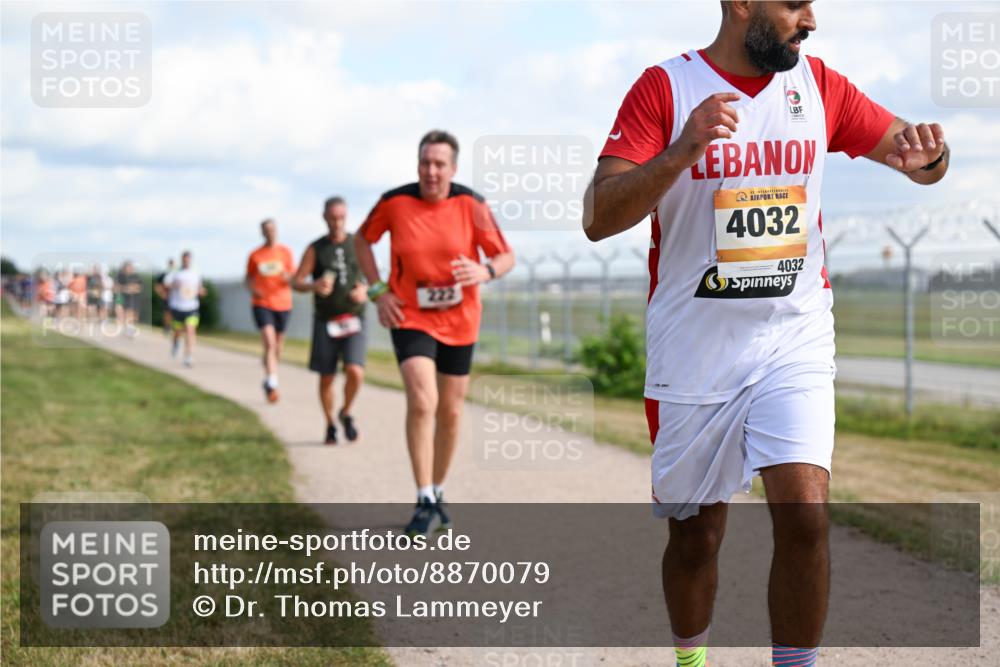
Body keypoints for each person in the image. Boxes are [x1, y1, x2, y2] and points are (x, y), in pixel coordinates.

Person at [582, 2, 949, 666]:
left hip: (793, 334)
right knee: (697, 533)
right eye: (794, 5)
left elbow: (913, 155)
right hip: (695, 347)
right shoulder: (665, 88)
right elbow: (599, 215)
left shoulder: (821, 86)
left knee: (806, 514)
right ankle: (690, 659)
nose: (809, 20)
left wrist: (932, 157)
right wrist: (683, 149)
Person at [355, 130, 515, 536]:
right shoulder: (394, 202)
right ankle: (424, 495)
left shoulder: (471, 204)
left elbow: (506, 255)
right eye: (425, 162)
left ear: (453, 168)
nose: (431, 171)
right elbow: (363, 240)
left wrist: (486, 270)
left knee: (452, 410)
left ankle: (438, 490)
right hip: (410, 315)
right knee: (423, 401)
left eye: (439, 163)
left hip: (461, 319)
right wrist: (378, 292)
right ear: (417, 165)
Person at [293, 197, 368, 444]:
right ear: (325, 217)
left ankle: (345, 411)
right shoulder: (316, 248)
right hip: (326, 320)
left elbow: (378, 280)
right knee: (327, 376)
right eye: (333, 218)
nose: (337, 223)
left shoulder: (358, 243)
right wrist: (313, 285)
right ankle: (329, 424)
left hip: (354, 318)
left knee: (355, 371)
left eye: (341, 218)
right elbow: (296, 281)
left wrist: (365, 291)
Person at [246, 219, 295, 403]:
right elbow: (248, 278)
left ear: (277, 230)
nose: (270, 232)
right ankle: (272, 384)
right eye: (266, 230)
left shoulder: (285, 252)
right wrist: (253, 289)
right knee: (270, 342)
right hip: (262, 302)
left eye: (272, 229)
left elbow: (294, 277)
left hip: (283, 303)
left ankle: (269, 371)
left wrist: (288, 277)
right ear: (262, 232)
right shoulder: (255, 255)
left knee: (277, 347)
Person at [165, 251, 206, 367]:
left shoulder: (196, 273)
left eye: (188, 259)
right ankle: (175, 343)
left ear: (190, 260)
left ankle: (188, 356)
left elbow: (200, 288)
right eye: (184, 259)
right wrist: (175, 285)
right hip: (178, 306)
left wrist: (201, 291)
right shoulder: (175, 272)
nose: (186, 261)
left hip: (192, 307)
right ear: (182, 259)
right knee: (177, 331)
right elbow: (166, 285)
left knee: (190, 330)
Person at [115, 260, 143, 337]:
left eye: (131, 267)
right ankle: (127, 328)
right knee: (122, 312)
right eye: (128, 267)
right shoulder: (120, 276)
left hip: (133, 298)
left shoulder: (136, 277)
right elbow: (117, 288)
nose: (129, 269)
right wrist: (127, 288)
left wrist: (127, 288)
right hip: (122, 297)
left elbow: (138, 288)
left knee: (132, 313)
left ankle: (129, 328)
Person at [154, 259, 176, 335]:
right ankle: (167, 327)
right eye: (170, 264)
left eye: (173, 264)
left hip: (177, 298)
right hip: (168, 297)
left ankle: (174, 327)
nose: (172, 265)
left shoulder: (177, 274)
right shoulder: (164, 274)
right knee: (167, 313)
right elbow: (157, 285)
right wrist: (161, 294)